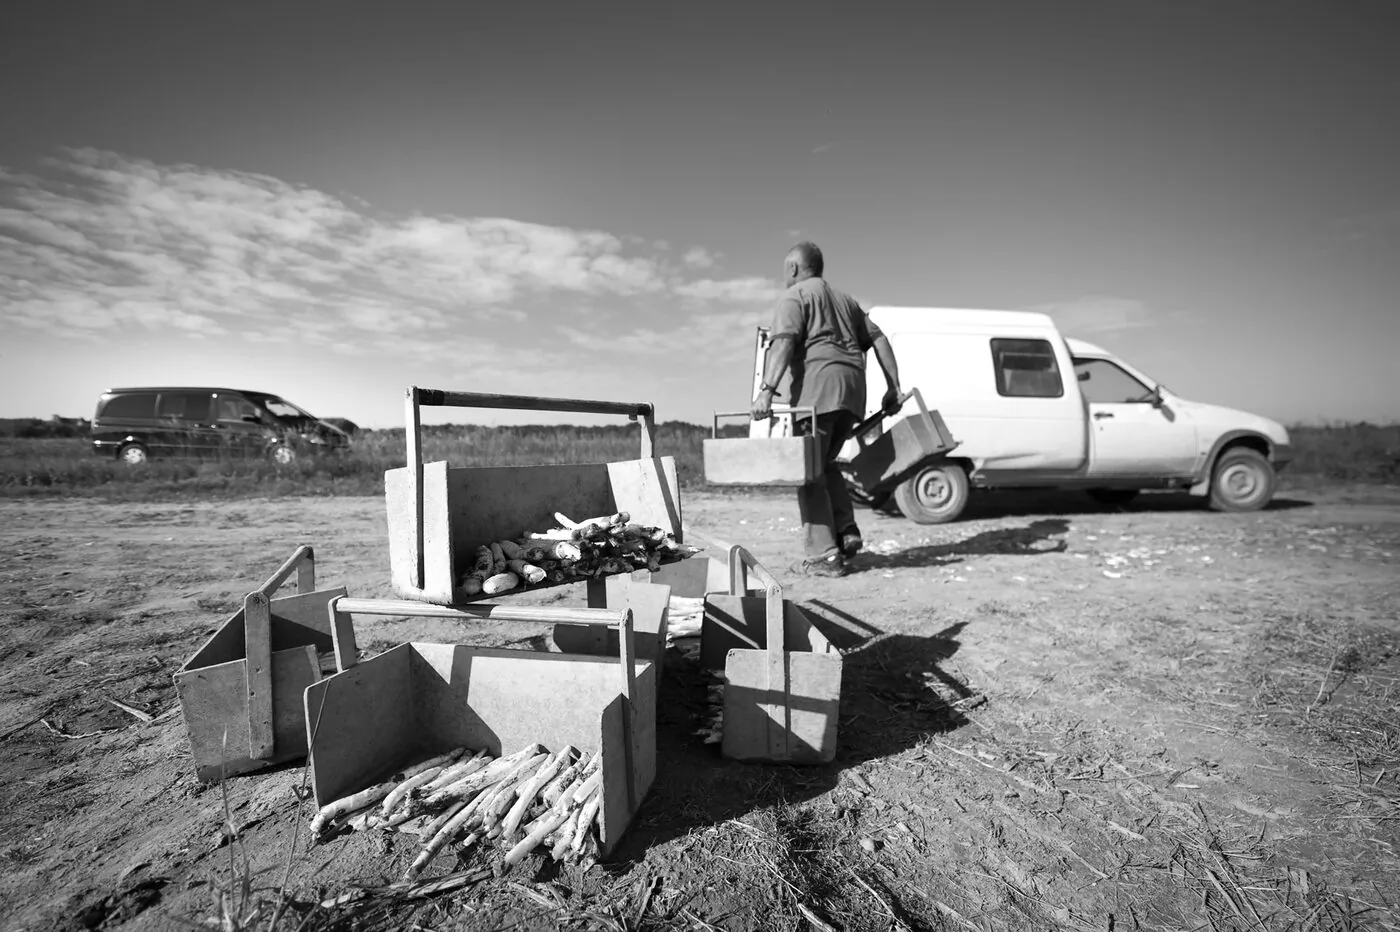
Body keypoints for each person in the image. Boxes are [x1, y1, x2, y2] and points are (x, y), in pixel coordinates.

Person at [751, 241, 903, 577]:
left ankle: (824, 556)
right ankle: (846, 533)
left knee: (807, 474)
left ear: (793, 268)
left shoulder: (796, 296)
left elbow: (785, 341)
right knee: (827, 465)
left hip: (817, 391)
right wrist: (894, 388)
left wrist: (766, 391)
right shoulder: (847, 301)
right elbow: (879, 338)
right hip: (851, 394)